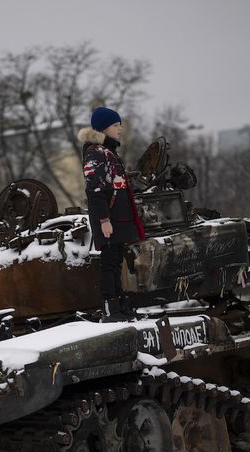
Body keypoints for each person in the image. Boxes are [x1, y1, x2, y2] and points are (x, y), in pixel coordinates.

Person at [78, 107, 145, 322]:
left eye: (119, 125)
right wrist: (104, 220)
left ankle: (121, 306)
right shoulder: (95, 152)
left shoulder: (108, 152)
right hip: (107, 219)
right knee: (108, 263)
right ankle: (110, 309)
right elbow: (95, 189)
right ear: (103, 127)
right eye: (116, 125)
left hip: (118, 218)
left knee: (116, 263)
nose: (120, 129)